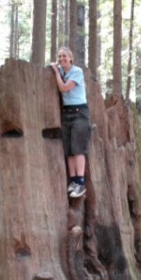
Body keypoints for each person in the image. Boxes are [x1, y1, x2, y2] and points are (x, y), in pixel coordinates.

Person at [50, 47, 91, 198]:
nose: (62, 59)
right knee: (68, 150)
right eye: (60, 56)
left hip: (79, 113)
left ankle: (80, 183)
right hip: (66, 113)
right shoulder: (60, 70)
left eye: (64, 56)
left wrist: (55, 71)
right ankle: (73, 180)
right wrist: (55, 69)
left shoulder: (77, 72)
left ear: (71, 58)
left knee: (78, 148)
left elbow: (63, 88)